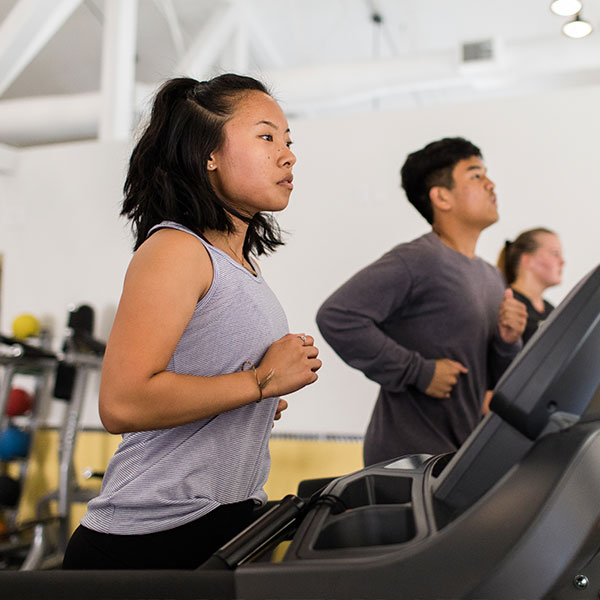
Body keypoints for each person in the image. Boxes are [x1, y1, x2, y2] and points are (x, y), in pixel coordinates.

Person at [62, 74, 321, 570]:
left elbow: (199, 383)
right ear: (209, 154)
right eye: (266, 137)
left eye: (288, 142)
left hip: (220, 519)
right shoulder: (176, 250)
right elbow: (122, 403)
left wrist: (251, 401)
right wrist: (258, 382)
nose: (288, 156)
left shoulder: (240, 264)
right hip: (150, 535)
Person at [316, 137, 527, 466]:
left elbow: (493, 381)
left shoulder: (491, 276)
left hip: (460, 455)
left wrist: (508, 341)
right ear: (442, 196)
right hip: (407, 459)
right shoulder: (417, 259)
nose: (491, 184)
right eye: (475, 175)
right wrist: (420, 371)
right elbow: (338, 316)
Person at [497, 228, 564, 345]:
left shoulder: (553, 311)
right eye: (555, 253)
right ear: (527, 260)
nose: (562, 261)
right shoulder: (504, 303)